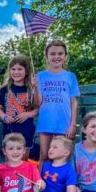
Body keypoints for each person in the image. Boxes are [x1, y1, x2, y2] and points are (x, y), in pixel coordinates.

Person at [35, 40, 80, 168]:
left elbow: (73, 102)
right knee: (44, 156)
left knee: (65, 157)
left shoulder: (70, 76)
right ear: (47, 56)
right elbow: (38, 102)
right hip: (46, 122)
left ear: (65, 56)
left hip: (64, 123)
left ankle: (66, 181)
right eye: (52, 54)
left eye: (60, 53)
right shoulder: (40, 76)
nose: (56, 57)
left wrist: (73, 124)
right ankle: (40, 180)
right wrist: (34, 87)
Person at [0, 55, 39, 160]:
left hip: (26, 130)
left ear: (26, 71)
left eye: (20, 69)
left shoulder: (31, 88)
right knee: (9, 159)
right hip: (9, 131)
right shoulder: (4, 89)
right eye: (13, 69)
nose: (16, 72)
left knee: (24, 160)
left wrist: (27, 114)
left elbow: (37, 108)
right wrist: (4, 117)